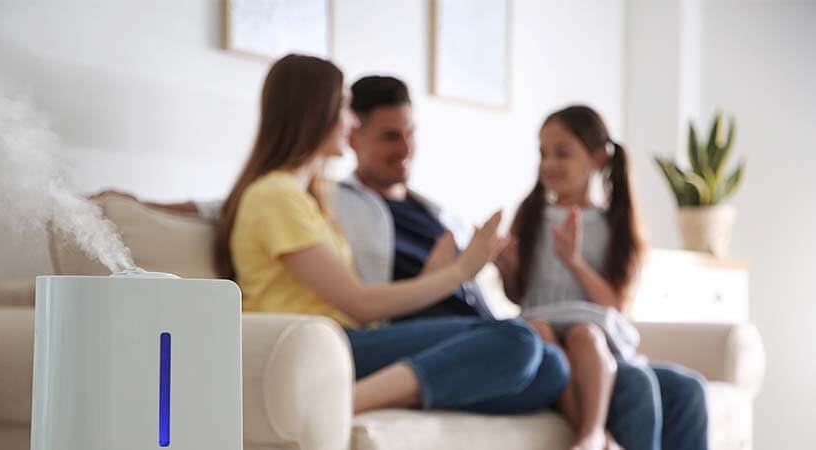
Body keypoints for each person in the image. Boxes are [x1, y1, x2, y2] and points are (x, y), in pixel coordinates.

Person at [215, 53, 569, 415]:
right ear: (316, 113)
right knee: (517, 340)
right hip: (323, 344)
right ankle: (338, 405)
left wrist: (437, 275)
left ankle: (411, 387)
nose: (351, 121)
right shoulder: (275, 195)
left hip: (350, 340)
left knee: (551, 369)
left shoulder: (308, 197)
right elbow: (360, 303)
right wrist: (460, 272)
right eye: (345, 109)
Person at [497, 105, 709, 450]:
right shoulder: (532, 214)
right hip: (545, 333)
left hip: (594, 338)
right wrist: (506, 268)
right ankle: (592, 434)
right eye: (543, 154)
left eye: (562, 153)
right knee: (636, 383)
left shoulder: (616, 223)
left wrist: (573, 261)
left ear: (597, 159)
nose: (549, 164)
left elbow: (616, 304)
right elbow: (520, 295)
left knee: (689, 387)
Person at [334, 75, 492, 321]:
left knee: (545, 348)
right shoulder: (335, 207)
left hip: (479, 326)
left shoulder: (437, 213)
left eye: (410, 133)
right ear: (352, 137)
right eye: (391, 137)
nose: (406, 149)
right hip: (421, 334)